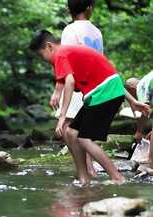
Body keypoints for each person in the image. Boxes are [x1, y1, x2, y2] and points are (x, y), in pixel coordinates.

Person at [29, 30, 150, 184]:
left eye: (41, 55)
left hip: (104, 94)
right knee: (72, 133)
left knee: (84, 138)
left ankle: (117, 178)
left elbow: (70, 82)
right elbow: (108, 73)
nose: (43, 60)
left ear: (49, 46)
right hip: (103, 92)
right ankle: (84, 178)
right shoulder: (67, 53)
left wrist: (62, 117)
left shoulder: (60, 54)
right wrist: (132, 100)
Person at [51, 0, 103, 177]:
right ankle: (90, 170)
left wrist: (58, 90)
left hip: (77, 85)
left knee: (67, 127)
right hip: (95, 85)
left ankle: (85, 171)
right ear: (89, 7)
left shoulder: (70, 30)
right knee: (84, 130)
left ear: (68, 10)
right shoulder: (97, 31)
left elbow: (66, 63)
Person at [125, 71, 153, 164]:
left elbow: (146, 111)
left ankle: (150, 162)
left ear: (132, 89)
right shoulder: (148, 81)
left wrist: (139, 131)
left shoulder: (142, 87)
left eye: (130, 95)